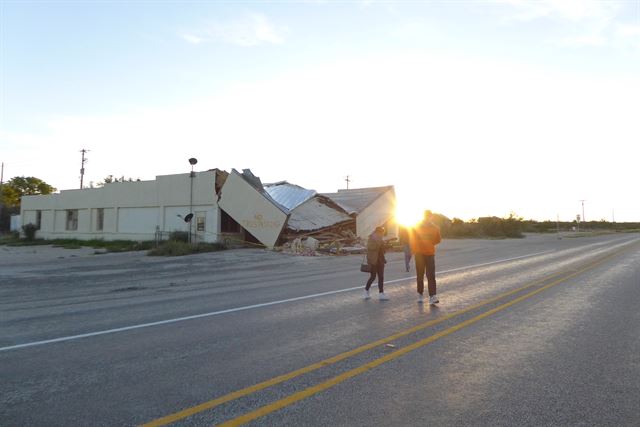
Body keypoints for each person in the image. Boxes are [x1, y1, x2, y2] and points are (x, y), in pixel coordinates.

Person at [411, 210, 442, 304]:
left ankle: (432, 296)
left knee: (431, 275)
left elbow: (438, 240)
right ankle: (420, 294)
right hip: (419, 254)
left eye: (429, 217)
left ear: (431, 217)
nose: (427, 218)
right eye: (426, 216)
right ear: (423, 217)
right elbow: (412, 238)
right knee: (420, 275)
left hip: (430, 254)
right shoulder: (416, 226)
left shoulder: (435, 228)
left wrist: (429, 244)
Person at [363, 226, 390, 301]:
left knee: (381, 277)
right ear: (378, 232)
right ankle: (366, 291)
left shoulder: (380, 239)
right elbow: (371, 248)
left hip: (380, 260)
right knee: (373, 276)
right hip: (373, 261)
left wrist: (385, 245)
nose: (382, 235)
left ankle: (381, 293)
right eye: (382, 233)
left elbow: (382, 251)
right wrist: (379, 243)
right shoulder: (371, 238)